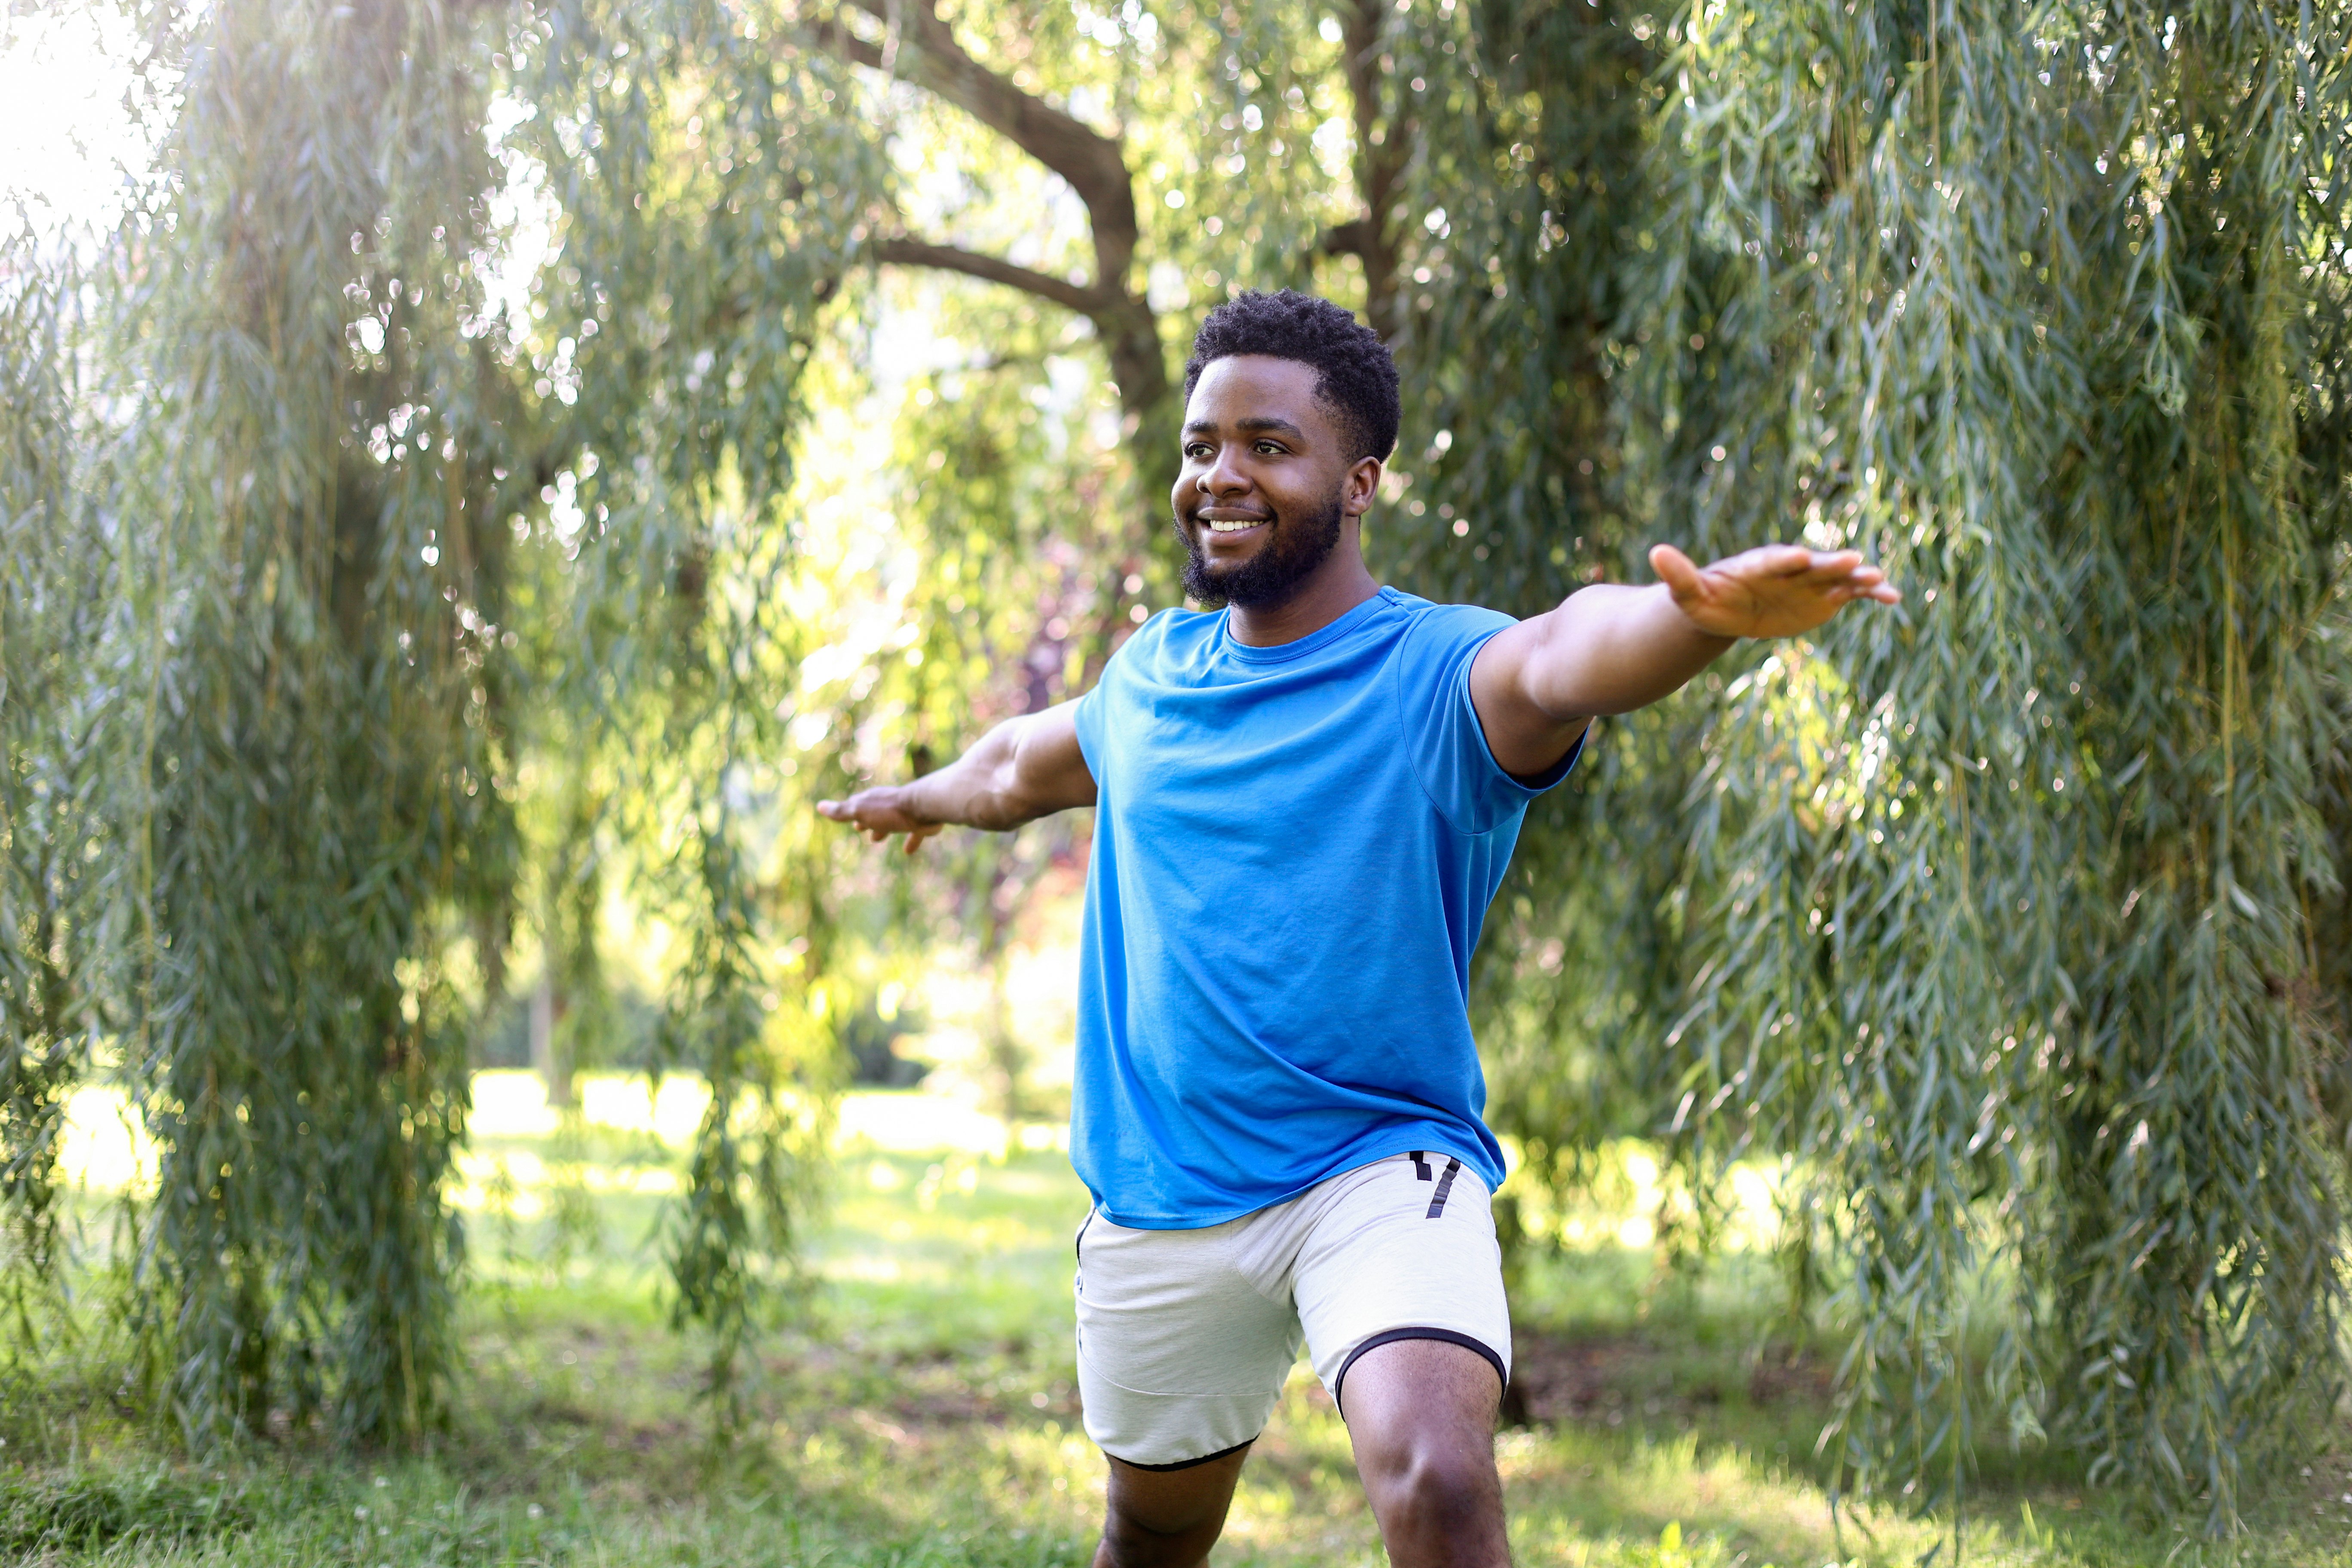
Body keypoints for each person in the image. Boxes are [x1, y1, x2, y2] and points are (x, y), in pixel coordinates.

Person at [819, 290, 1899, 1568]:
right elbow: (1015, 768)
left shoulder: (1440, 673)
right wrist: (920, 799)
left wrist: (1692, 620)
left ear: (1360, 480)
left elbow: (1566, 652)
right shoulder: (1152, 678)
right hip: (1163, 1186)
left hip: (1377, 1168)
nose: (1221, 474)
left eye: (1268, 446)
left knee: (1439, 1480)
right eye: (1201, 444)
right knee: (1150, 1540)